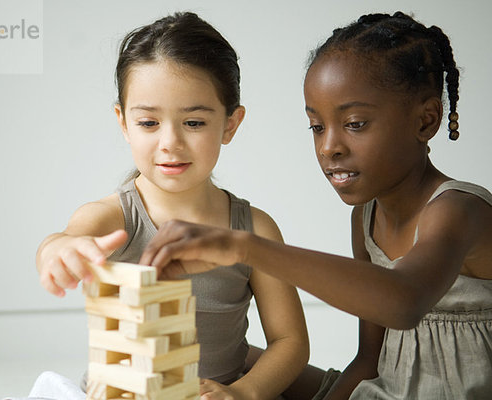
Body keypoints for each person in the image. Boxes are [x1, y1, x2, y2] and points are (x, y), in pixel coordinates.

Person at [139, 11, 492, 400]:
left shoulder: (460, 209)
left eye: (355, 123)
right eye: (317, 126)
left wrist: (242, 246)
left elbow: (404, 301)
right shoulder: (366, 218)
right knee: (234, 365)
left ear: (426, 121)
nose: (329, 147)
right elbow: (370, 360)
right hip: (386, 391)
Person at [35, 12, 309, 400]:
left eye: (194, 123)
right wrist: (58, 250)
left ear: (230, 124)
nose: (170, 142)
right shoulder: (113, 217)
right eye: (149, 122)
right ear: (123, 122)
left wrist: (243, 393)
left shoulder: (254, 230)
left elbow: (290, 340)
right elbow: (63, 240)